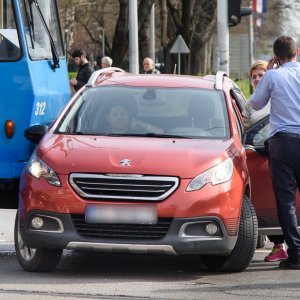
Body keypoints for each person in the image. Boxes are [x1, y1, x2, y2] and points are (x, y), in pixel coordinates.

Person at [250, 35, 300, 269]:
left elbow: (256, 104)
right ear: (296, 52)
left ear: (276, 56)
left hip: (284, 142)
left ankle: (296, 253)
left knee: (286, 201)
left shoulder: (273, 75)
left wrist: (270, 71)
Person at [243, 60, 287, 262]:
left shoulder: (275, 100)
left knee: (280, 203)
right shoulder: (252, 102)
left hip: (271, 155)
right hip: (258, 158)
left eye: (261, 75)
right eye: (254, 76)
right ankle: (280, 245)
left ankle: (280, 246)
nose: (257, 79)